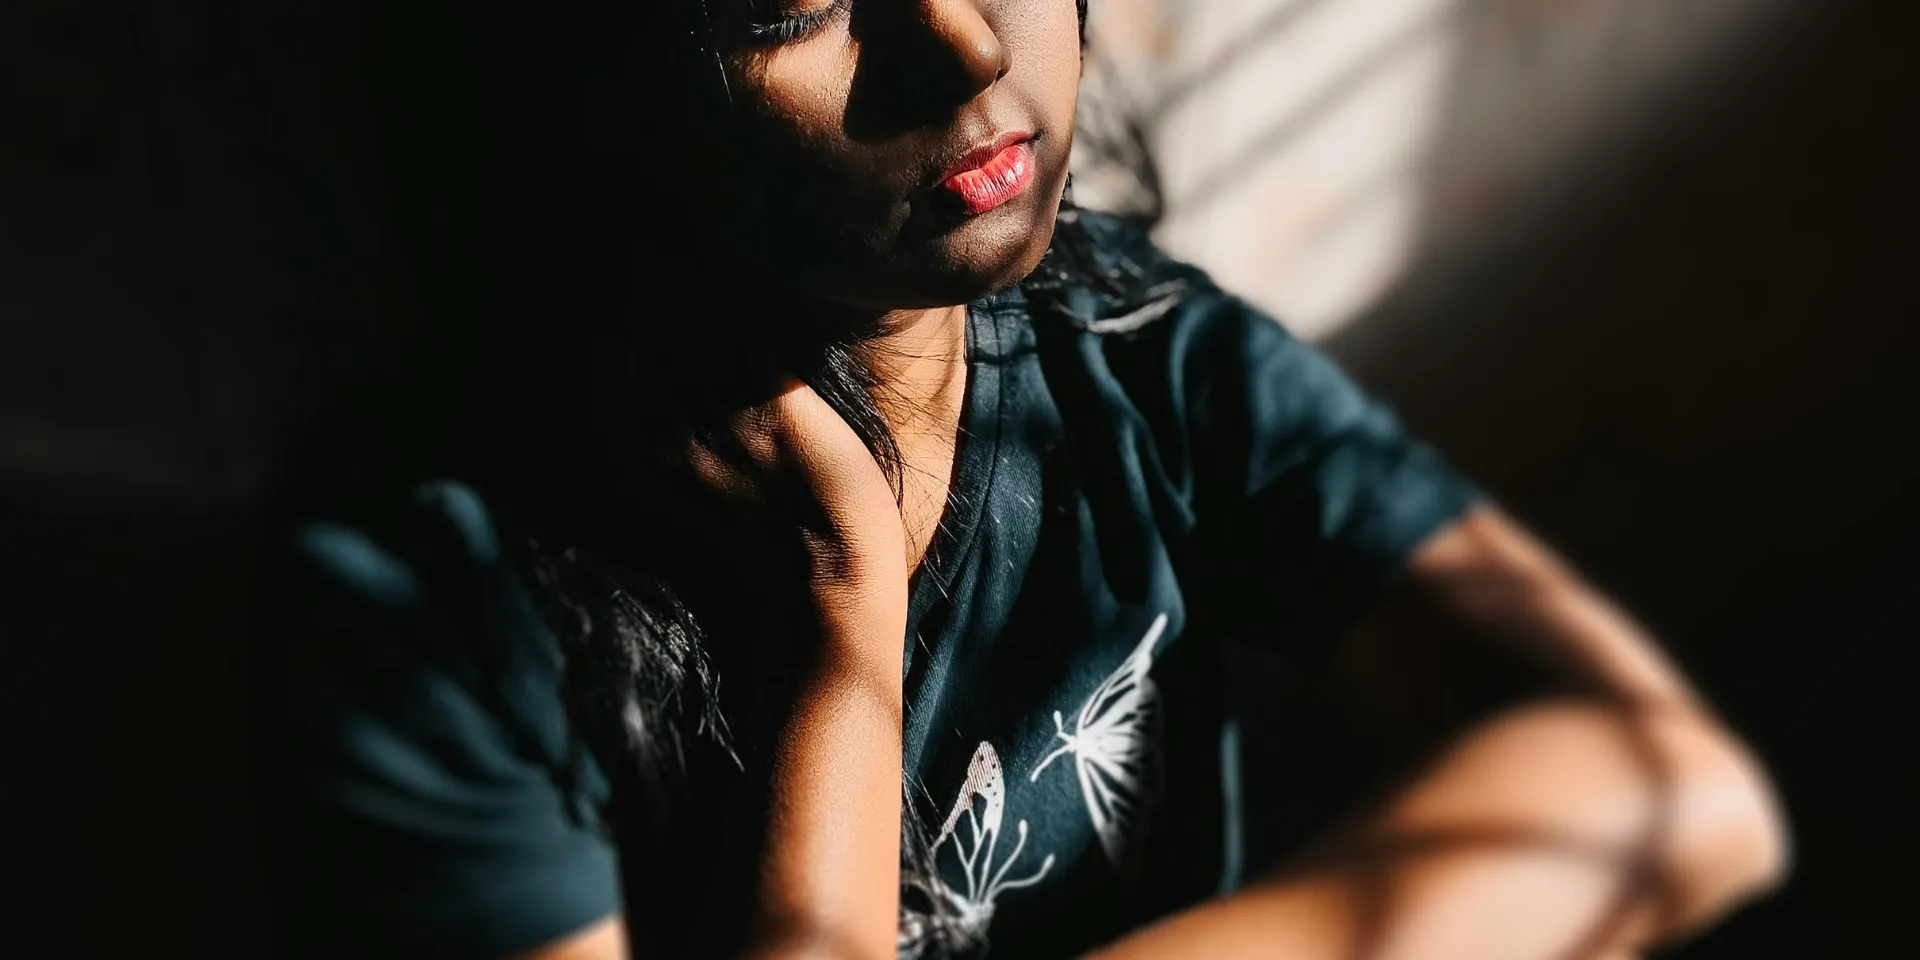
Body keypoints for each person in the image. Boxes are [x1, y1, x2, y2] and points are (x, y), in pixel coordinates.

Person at [251, 1, 1789, 958]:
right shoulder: (419, 591)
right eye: (793, 3)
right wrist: (836, 612)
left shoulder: (1130, 351)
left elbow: (1679, 792)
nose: (968, 43)